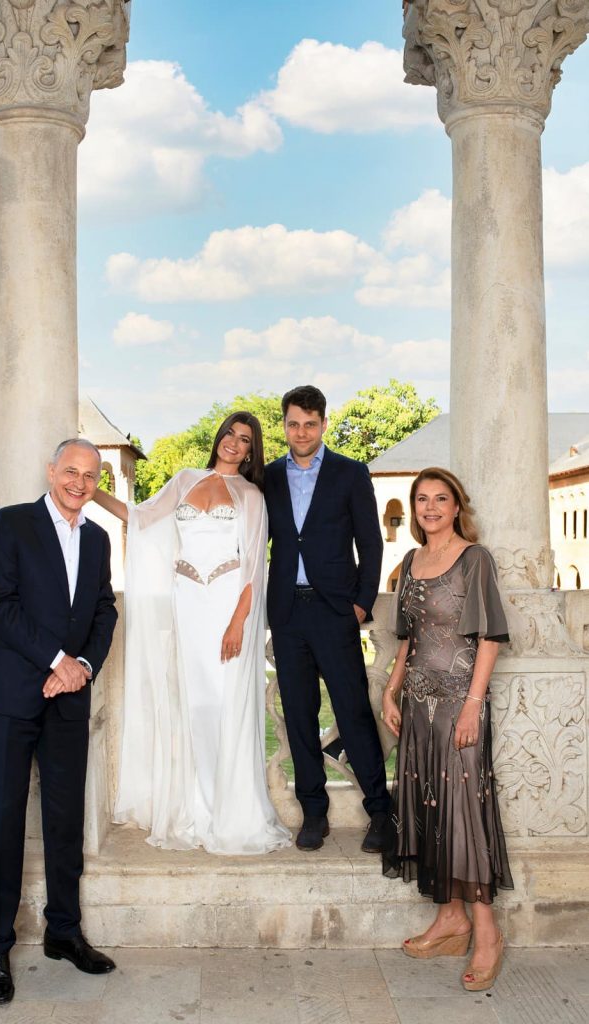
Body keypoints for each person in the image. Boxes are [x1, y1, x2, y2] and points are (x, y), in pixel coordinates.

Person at [93, 412, 290, 855]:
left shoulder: (251, 496)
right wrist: (93, 493)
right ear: (219, 437)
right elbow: (140, 518)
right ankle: (194, 806)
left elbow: (254, 567)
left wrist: (238, 623)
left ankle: (228, 810)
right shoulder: (184, 479)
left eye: (245, 439)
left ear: (251, 451)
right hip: (186, 603)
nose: (233, 443)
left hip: (226, 603)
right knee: (192, 704)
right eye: (230, 434)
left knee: (222, 703)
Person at [0, 439, 118, 1006]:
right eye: (70, 471)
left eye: (90, 475)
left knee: (64, 821)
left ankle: (64, 932)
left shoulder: (99, 538)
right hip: (11, 694)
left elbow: (104, 609)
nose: (79, 483)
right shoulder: (10, 523)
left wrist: (82, 667)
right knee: (2, 821)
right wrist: (58, 661)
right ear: (51, 470)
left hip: (69, 699)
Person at [381, 466, 513, 993]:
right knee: (431, 808)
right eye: (422, 499)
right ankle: (450, 919)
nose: (431, 507)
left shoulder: (474, 559)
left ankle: (487, 933)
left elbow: (489, 638)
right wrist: (391, 691)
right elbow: (409, 639)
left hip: (460, 704)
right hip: (418, 705)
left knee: (465, 815)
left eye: (441, 498)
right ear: (414, 508)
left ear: (457, 507)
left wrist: (472, 706)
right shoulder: (411, 562)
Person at [264, 385, 391, 853]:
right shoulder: (269, 476)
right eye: (293, 424)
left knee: (353, 711)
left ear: (323, 424)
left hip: (335, 610)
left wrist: (360, 603)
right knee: (299, 714)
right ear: (284, 425)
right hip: (287, 612)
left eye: (310, 424)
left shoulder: (350, 473)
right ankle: (313, 813)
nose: (301, 432)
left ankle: (381, 811)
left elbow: (370, 543)